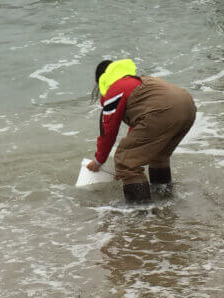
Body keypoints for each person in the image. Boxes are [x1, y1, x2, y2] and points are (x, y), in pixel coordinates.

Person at [84, 58, 197, 204]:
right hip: (187, 106)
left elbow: (108, 132)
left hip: (162, 110)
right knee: (158, 155)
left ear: (102, 79)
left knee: (125, 161)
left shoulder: (115, 89)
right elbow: (141, 126)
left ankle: (140, 214)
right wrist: (134, 159)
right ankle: (164, 198)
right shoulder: (136, 82)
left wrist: (99, 161)